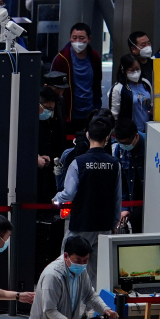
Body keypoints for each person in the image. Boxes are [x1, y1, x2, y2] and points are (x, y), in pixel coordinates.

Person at [53, 114, 123, 277]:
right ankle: (92, 302)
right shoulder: (114, 164)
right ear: (107, 138)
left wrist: (56, 199)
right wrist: (114, 223)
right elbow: (117, 197)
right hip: (104, 226)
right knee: (97, 274)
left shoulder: (78, 162)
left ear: (87, 135)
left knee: (67, 268)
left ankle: (68, 301)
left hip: (81, 225)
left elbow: (69, 193)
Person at [51, 23, 103, 135]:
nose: (77, 41)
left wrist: (97, 107)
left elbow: (97, 83)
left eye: (81, 38)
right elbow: (52, 86)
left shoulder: (94, 57)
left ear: (89, 39)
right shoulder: (61, 59)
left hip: (90, 112)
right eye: (74, 38)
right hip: (68, 114)